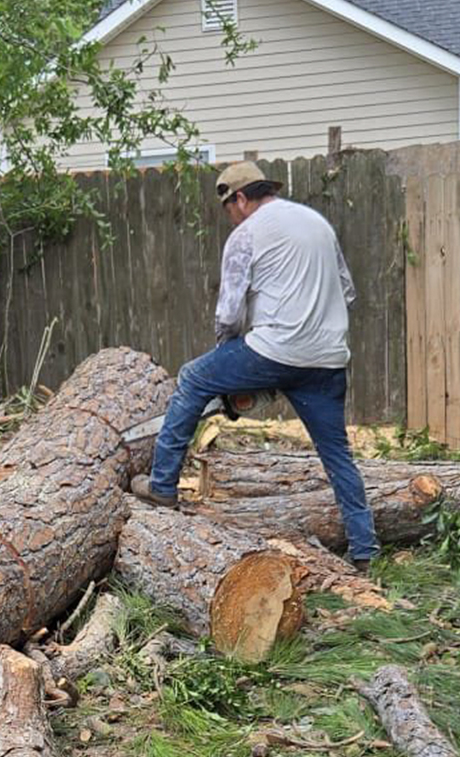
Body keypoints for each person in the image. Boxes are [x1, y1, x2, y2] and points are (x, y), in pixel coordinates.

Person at [131, 160, 379, 569]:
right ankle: (365, 550)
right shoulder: (316, 223)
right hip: (328, 358)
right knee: (337, 455)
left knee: (194, 377)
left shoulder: (246, 235)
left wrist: (227, 367)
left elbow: (228, 315)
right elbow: (347, 291)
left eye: (228, 207)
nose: (230, 216)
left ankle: (162, 485)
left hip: (275, 349)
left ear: (240, 198)